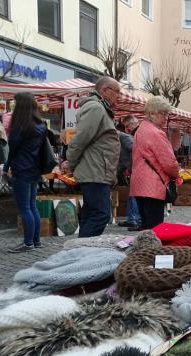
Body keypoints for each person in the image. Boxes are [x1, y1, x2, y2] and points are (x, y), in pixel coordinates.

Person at [66, 76, 121, 237]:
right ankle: (82, 248)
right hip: (95, 171)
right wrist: (71, 162)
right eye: (116, 91)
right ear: (104, 90)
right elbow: (80, 139)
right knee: (101, 214)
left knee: (92, 213)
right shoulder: (96, 108)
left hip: (97, 170)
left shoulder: (98, 108)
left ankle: (83, 250)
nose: (118, 95)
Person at [3, 92, 46, 253]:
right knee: (32, 206)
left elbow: (12, 148)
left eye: (15, 103)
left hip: (21, 169)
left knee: (25, 207)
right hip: (34, 169)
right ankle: (36, 240)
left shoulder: (21, 126)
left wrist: (6, 168)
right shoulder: (40, 125)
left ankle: (28, 243)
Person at [130, 96, 180, 230]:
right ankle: (153, 251)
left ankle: (145, 250)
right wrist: (176, 174)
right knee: (156, 228)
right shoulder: (156, 133)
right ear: (152, 113)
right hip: (153, 184)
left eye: (166, 114)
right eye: (163, 113)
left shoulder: (140, 129)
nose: (165, 118)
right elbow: (169, 163)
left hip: (140, 183)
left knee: (146, 227)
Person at [116, 115, 142, 229]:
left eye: (127, 126)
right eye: (125, 127)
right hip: (135, 169)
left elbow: (134, 149)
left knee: (134, 195)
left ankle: (133, 219)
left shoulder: (125, 136)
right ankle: (132, 218)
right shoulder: (132, 135)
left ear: (132, 124)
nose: (127, 129)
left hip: (137, 169)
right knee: (133, 195)